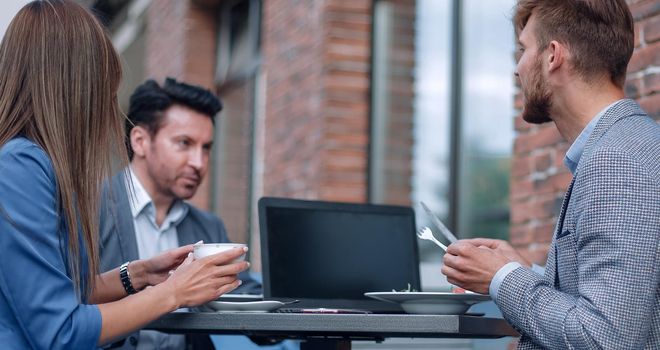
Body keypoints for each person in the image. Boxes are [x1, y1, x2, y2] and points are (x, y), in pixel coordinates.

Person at [0, 1, 249, 349]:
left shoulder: (35, 165)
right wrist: (174, 292)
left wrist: (139, 274)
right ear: (72, 86)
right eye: (103, 87)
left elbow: (65, 286)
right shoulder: (21, 166)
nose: (106, 105)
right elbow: (60, 331)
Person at [442, 0, 660, 349]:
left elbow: (604, 338)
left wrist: (502, 277)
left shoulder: (616, 162)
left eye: (523, 50)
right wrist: (529, 274)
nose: (517, 69)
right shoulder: (624, 147)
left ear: (553, 56)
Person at [99, 77, 260, 350]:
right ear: (139, 141)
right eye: (184, 143)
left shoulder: (208, 227)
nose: (199, 162)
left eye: (206, 148)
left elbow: (244, 300)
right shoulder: (87, 210)